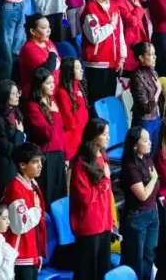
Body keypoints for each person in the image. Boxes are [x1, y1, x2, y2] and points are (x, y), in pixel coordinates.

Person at [70, 119, 115, 280]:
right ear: (94, 136)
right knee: (87, 272)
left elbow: (107, 196)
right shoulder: (82, 163)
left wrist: (111, 219)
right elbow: (85, 198)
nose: (108, 137)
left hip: (104, 223)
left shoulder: (103, 156)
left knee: (103, 270)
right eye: (104, 134)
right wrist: (105, 182)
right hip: (89, 225)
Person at [2, 142, 47, 280]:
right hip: (20, 255)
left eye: (40, 161)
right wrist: (36, 210)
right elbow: (19, 226)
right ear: (22, 165)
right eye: (35, 162)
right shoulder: (16, 190)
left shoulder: (32, 184)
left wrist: (38, 251)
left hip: (31, 252)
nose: (40, 165)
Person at [23, 68, 68, 205]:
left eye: (53, 82)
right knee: (48, 196)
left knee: (60, 195)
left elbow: (60, 131)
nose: (52, 86)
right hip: (45, 156)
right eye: (48, 83)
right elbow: (46, 134)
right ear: (39, 84)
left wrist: (66, 155)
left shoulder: (51, 102)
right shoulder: (32, 106)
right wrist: (53, 113)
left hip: (58, 154)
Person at [121, 126, 160, 280]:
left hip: (152, 214)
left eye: (149, 139)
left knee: (149, 256)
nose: (150, 143)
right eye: (145, 140)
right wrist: (154, 179)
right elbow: (142, 195)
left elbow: (153, 191)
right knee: (135, 259)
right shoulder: (130, 166)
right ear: (135, 144)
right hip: (137, 217)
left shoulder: (148, 160)